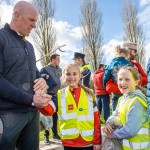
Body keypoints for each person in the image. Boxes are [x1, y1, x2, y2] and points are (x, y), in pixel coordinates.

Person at [0, 1, 52, 150]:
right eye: (32, 20)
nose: (35, 25)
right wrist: (31, 99)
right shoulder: (1, 38)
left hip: (32, 115)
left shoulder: (29, 45)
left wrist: (41, 80)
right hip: (8, 115)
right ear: (16, 15)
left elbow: (34, 73)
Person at [40, 64, 102, 150]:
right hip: (69, 144)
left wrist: (97, 141)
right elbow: (48, 111)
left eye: (74, 74)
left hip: (88, 143)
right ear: (63, 76)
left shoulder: (89, 94)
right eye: (68, 74)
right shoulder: (59, 95)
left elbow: (96, 120)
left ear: (80, 76)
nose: (71, 77)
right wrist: (41, 100)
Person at [103, 66, 150, 150]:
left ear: (136, 82)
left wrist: (113, 134)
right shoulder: (122, 99)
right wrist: (109, 122)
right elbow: (116, 115)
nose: (123, 83)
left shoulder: (137, 102)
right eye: (120, 79)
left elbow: (130, 130)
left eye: (127, 80)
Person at [40, 54, 62, 142]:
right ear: (52, 60)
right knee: (47, 114)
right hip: (48, 94)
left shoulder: (59, 69)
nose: (59, 61)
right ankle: (46, 136)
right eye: (57, 59)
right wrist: (44, 76)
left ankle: (55, 134)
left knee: (55, 115)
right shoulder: (45, 69)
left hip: (57, 94)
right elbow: (38, 76)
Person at [103, 45, 131, 111]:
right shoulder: (128, 63)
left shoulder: (111, 64)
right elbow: (135, 75)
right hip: (126, 92)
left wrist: (105, 87)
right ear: (125, 54)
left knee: (115, 114)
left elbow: (105, 77)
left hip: (115, 93)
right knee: (126, 113)